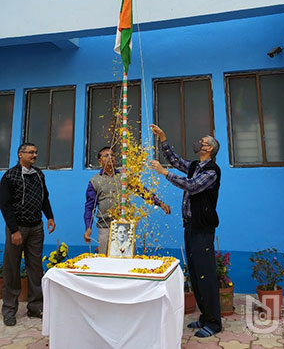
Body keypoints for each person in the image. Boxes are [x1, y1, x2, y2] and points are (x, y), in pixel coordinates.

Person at [150, 124, 222, 338]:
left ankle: (214, 322)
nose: (199, 142)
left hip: (203, 229)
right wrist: (163, 137)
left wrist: (164, 174)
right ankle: (205, 315)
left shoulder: (211, 172)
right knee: (196, 273)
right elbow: (175, 161)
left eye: (203, 141)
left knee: (206, 274)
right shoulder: (195, 166)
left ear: (209, 148)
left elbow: (191, 186)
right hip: (190, 226)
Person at [0, 143, 55, 327]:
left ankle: (35, 307)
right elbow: (5, 205)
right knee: (12, 270)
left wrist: (50, 217)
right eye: (31, 152)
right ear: (20, 154)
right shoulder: (10, 176)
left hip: (36, 228)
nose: (34, 155)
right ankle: (9, 310)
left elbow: (44, 197)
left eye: (36, 152)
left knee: (35, 268)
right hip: (18, 229)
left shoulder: (38, 174)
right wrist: (14, 230)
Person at [83, 146, 171, 254]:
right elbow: (90, 207)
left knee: (125, 260)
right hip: (105, 227)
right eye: (106, 156)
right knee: (105, 261)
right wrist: (88, 227)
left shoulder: (124, 176)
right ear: (99, 161)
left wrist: (159, 203)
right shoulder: (95, 181)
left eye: (112, 155)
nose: (111, 157)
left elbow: (142, 190)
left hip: (124, 226)